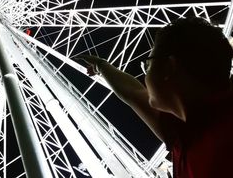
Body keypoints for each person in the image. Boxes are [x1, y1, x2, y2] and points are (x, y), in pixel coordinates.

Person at [77, 17, 233, 178]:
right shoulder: (185, 129)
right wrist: (100, 65)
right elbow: (133, 94)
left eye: (148, 65)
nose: (145, 75)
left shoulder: (220, 144)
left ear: (169, 67)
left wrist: (101, 65)